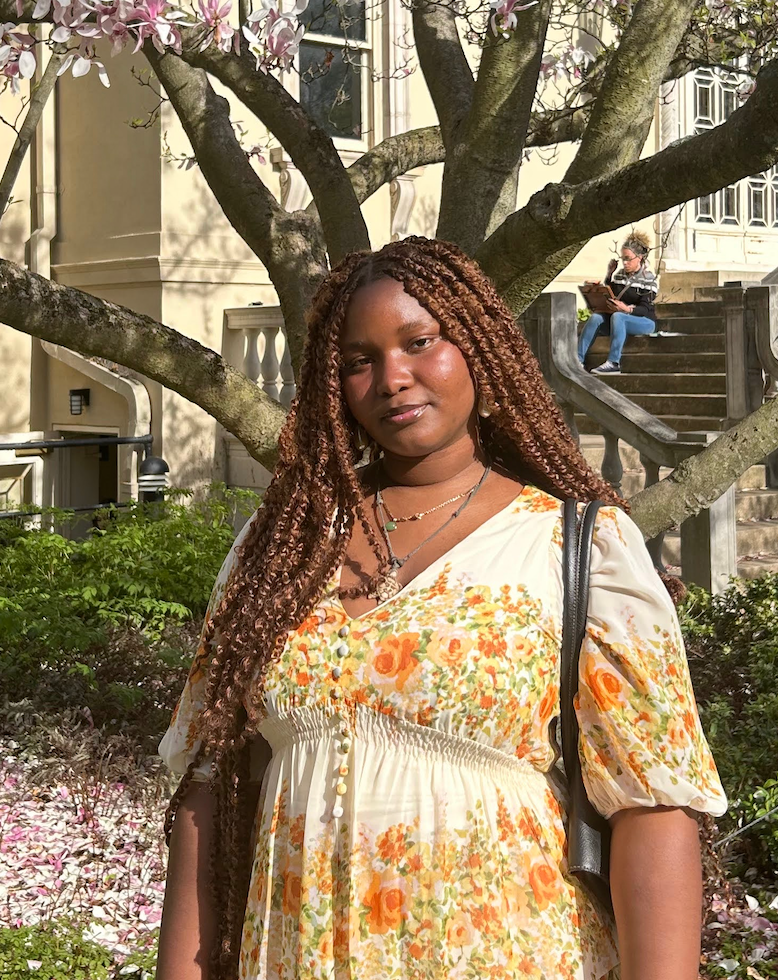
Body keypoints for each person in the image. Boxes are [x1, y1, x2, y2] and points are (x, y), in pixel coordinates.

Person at [156, 237, 726, 980]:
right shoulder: (280, 553)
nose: (393, 377)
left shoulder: (575, 546)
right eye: (359, 360)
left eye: (420, 342)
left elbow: (653, 808)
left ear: (480, 349)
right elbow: (211, 787)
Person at [578, 234, 659, 374]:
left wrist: (626, 309)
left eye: (628, 259)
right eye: (623, 259)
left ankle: (613, 362)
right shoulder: (620, 275)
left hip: (644, 322)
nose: (625, 263)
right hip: (620, 320)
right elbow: (614, 295)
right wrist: (607, 279)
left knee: (618, 316)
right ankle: (577, 360)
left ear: (639, 257)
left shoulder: (649, 279)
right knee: (596, 317)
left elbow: (644, 309)